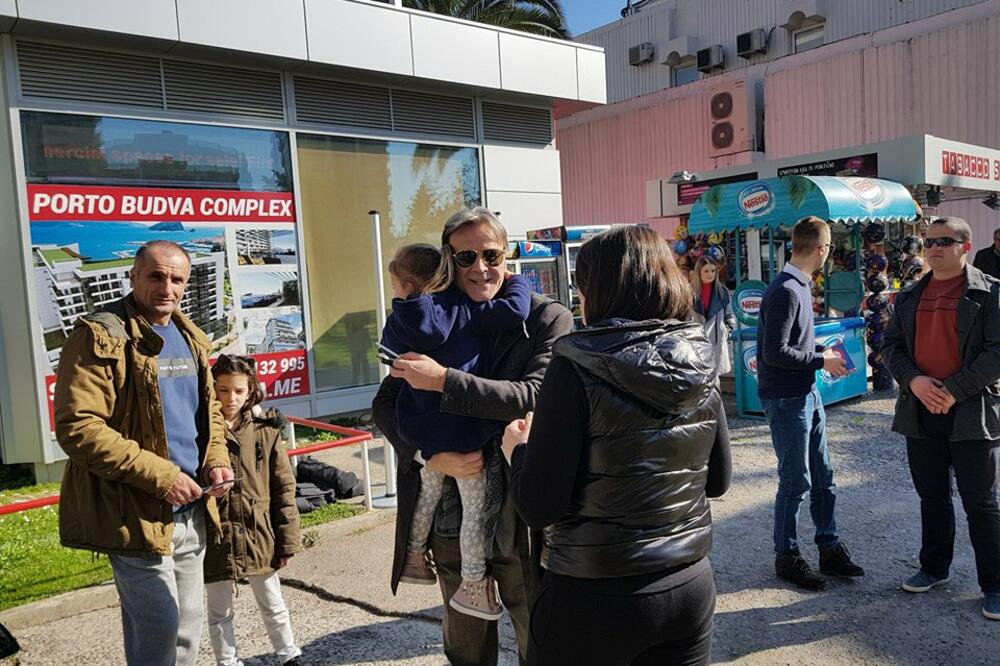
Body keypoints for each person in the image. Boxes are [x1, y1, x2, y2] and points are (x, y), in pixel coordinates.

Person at [501, 226, 732, 666]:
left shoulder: (575, 367)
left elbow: (539, 505)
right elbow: (717, 480)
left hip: (593, 595)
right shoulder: (699, 357)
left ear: (597, 291)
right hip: (687, 586)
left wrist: (518, 450)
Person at [372, 208, 573, 666]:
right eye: (466, 257)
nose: (480, 267)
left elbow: (535, 395)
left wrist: (444, 380)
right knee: (465, 646)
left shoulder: (546, 318)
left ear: (508, 255)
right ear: (448, 260)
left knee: (538, 639)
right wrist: (427, 454)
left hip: (523, 515)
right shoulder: (432, 315)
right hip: (452, 512)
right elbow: (386, 404)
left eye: (491, 254)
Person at [53, 240, 234, 666]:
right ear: (132, 277)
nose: (166, 287)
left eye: (176, 279)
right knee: (160, 628)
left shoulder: (191, 335)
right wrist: (164, 477)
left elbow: (207, 410)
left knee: (186, 631)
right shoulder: (100, 335)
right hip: (133, 512)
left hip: (193, 509)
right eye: (155, 276)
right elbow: (79, 427)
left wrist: (217, 460)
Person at [381, 243, 531, 620]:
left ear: (409, 285)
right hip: (466, 426)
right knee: (475, 510)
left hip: (424, 429)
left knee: (427, 497)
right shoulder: (464, 308)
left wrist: (423, 451)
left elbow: (389, 364)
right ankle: (474, 584)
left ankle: (415, 557)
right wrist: (518, 281)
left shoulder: (398, 321)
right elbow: (516, 309)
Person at [882, 216, 1000, 621]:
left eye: (944, 241)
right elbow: (891, 347)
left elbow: (996, 354)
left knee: (981, 503)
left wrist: (952, 390)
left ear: (965, 246)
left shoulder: (991, 293)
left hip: (971, 412)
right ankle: (934, 567)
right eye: (928, 241)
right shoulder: (910, 295)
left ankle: (995, 585)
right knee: (932, 497)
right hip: (921, 411)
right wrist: (914, 381)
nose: (933, 248)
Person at [756, 216, 864, 591]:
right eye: (830, 246)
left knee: (823, 475)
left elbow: (788, 345)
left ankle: (828, 547)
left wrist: (819, 352)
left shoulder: (795, 285)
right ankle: (786, 555)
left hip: (804, 394)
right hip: (787, 399)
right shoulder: (787, 290)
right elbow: (774, 353)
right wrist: (822, 360)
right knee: (795, 480)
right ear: (822, 249)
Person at [204, 354, 303, 665]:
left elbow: (283, 488)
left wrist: (287, 541)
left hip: (258, 532)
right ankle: (228, 661)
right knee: (219, 610)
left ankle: (288, 655)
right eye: (222, 390)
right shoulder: (201, 431)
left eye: (238, 391)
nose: (230, 398)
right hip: (216, 533)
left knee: (272, 601)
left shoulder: (266, 431)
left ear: (250, 392)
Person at [690, 255, 735, 375]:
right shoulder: (688, 292)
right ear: (698, 272)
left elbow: (730, 315)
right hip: (696, 343)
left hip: (717, 343)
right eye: (706, 271)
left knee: (715, 384)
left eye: (713, 271)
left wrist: (726, 331)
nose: (710, 274)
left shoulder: (722, 292)